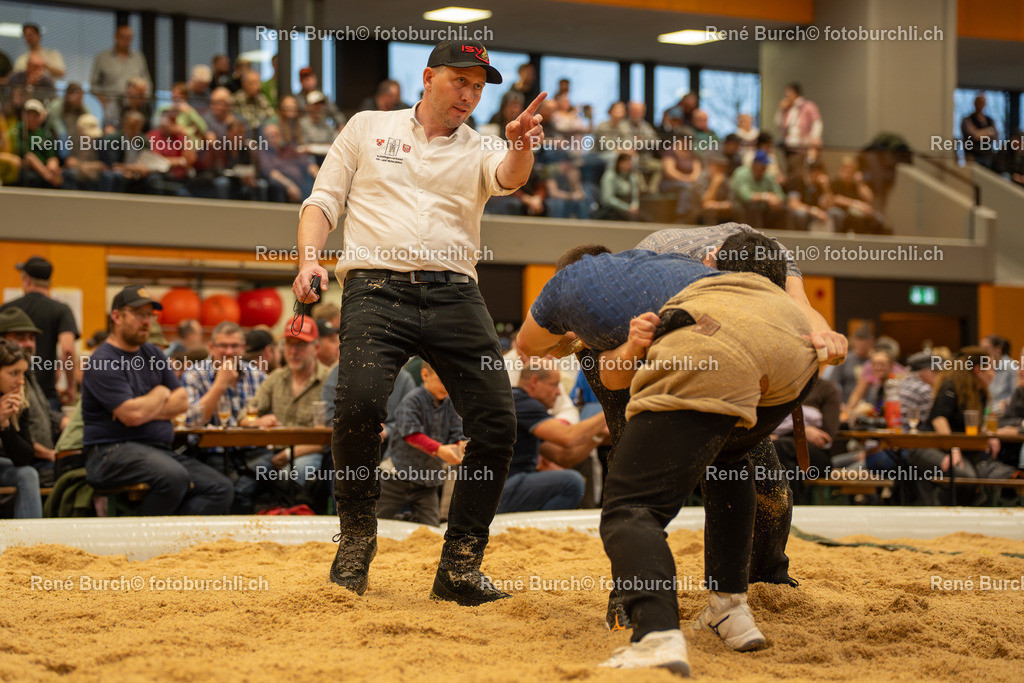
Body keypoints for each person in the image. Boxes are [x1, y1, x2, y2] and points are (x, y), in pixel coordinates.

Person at [291, 39, 545, 606]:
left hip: (455, 292)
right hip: (374, 289)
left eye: (479, 88)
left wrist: (522, 146)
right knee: (356, 405)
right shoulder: (366, 127)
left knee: (499, 423)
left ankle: (460, 563)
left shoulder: (480, 146)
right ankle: (356, 537)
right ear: (428, 77)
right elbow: (322, 201)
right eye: (461, 81)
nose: (470, 95)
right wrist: (310, 258)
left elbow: (508, 176)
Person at [518, 243, 822, 673]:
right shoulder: (662, 264)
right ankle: (730, 608)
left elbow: (528, 346)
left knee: (630, 506)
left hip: (713, 352)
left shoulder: (568, 287)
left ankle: (654, 631)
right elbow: (614, 373)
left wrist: (576, 339)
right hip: (796, 356)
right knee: (731, 461)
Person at [81, 286, 233, 515]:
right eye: (138, 314)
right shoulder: (103, 361)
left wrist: (144, 408)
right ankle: (141, 540)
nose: (146, 321)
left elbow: (181, 402)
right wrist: (161, 393)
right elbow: (132, 416)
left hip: (157, 450)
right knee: (173, 477)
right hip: (110, 452)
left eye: (150, 315)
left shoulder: (152, 353)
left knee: (220, 488)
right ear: (116, 316)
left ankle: (175, 541)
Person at [181, 321, 269, 512]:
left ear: (243, 348)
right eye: (223, 346)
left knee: (272, 476)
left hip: (254, 451)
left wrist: (267, 420)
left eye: (235, 346)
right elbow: (191, 422)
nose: (229, 351)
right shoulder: (195, 375)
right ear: (211, 347)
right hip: (212, 452)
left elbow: (272, 416)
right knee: (232, 488)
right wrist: (220, 385)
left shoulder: (258, 375)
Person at [501, 365, 602, 513]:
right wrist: (607, 414)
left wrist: (598, 436)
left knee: (572, 480)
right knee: (571, 482)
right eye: (554, 385)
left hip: (504, 487)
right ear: (534, 382)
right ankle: (534, 529)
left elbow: (563, 457)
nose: (558, 393)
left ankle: (533, 528)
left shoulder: (520, 405)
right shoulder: (520, 402)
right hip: (502, 489)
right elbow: (567, 437)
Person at [377, 363, 466, 525]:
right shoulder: (413, 400)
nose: (446, 387)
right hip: (396, 476)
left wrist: (461, 447)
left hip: (427, 481)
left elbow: (456, 435)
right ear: (425, 375)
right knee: (375, 521)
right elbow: (411, 435)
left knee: (431, 526)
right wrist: (439, 450)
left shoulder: (450, 405)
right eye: (441, 380)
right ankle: (403, 519)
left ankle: (406, 519)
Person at [0, 256, 78, 410]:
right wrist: (70, 386)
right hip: (45, 394)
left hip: (10, 394)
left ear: (27, 280)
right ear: (48, 282)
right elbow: (67, 349)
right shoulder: (60, 310)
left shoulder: (7, 310)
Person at [0, 340, 43, 518]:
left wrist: (5, 425)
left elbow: (24, 457)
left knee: (28, 474)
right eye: (14, 373)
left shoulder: (18, 397)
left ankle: (29, 542)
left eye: (23, 373)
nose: (20, 381)